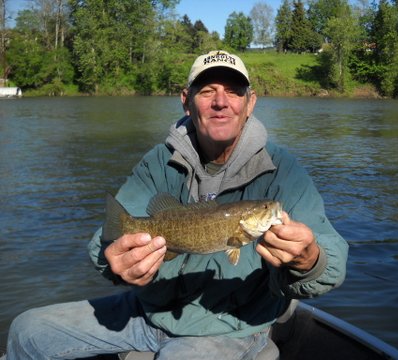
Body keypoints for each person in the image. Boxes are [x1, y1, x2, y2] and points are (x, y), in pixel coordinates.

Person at [2, 50, 348, 359]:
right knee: (28, 330)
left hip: (232, 328)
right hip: (149, 313)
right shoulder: (160, 162)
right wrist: (114, 259)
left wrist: (310, 258)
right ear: (187, 100)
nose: (220, 101)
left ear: (250, 102)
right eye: (207, 91)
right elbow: (106, 238)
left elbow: (331, 260)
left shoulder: (282, 171)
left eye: (232, 91)